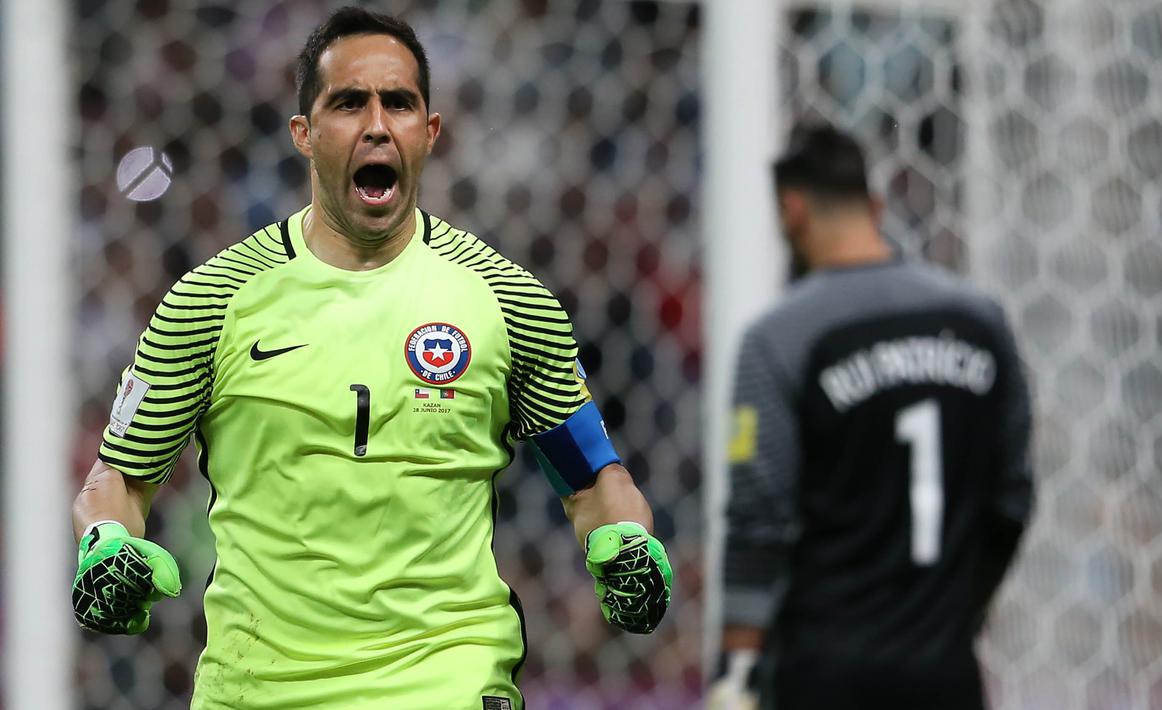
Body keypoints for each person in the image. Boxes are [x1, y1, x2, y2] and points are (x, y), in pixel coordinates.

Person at [70, 8, 671, 709]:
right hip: (259, 691)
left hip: (444, 682)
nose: (377, 124)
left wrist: (626, 541)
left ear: (430, 131)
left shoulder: (506, 300)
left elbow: (593, 480)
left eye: (400, 103)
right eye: (349, 103)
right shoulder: (209, 302)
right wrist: (107, 542)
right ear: (305, 133)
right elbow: (117, 481)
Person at [710, 125, 1033, 710]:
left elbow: (758, 521)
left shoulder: (778, 340)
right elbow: (1012, 498)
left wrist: (735, 676)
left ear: (792, 209)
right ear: (875, 207)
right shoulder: (983, 323)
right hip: (946, 674)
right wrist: (954, 612)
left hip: (825, 674)